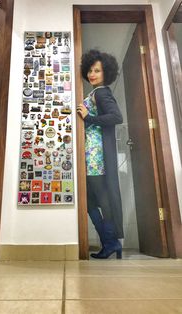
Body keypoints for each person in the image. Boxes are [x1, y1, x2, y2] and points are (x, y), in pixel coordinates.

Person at [77, 49, 124, 259]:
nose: (92, 74)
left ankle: (111, 243)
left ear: (107, 73)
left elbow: (116, 117)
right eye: (90, 70)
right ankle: (111, 243)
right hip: (91, 156)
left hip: (96, 158)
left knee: (99, 202)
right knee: (91, 202)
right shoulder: (93, 93)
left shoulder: (101, 92)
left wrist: (88, 118)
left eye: (97, 70)